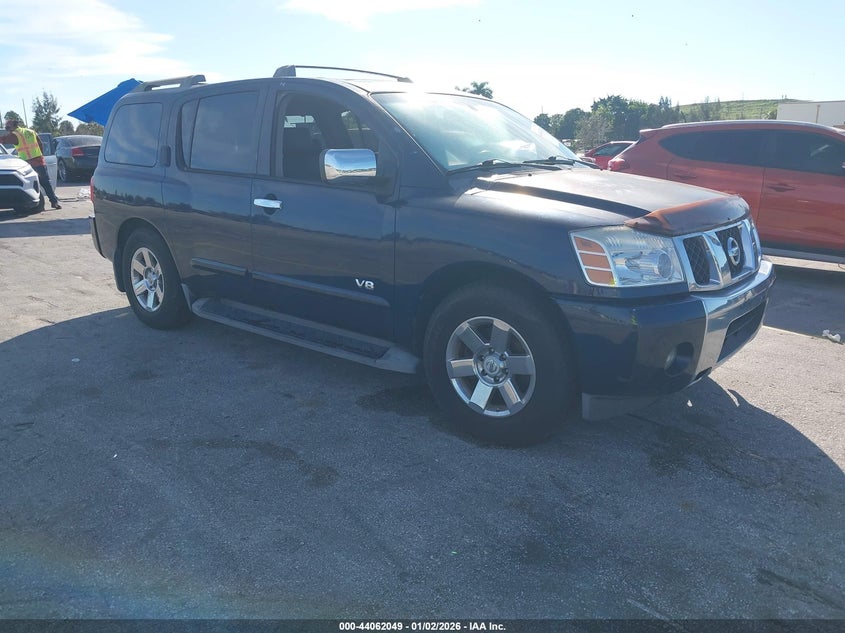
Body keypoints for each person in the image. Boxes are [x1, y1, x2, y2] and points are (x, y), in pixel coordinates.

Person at [1, 116, 61, 209]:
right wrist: (40, 155)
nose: (7, 129)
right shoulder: (31, 131)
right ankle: (54, 202)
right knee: (46, 183)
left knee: (29, 184)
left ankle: (34, 204)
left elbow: (2, 140)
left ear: (14, 126)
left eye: (7, 127)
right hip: (38, 161)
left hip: (26, 164)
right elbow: (40, 144)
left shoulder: (14, 135)